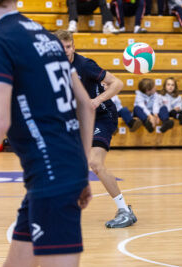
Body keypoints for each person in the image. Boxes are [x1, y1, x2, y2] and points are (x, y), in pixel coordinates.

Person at [0, 0, 97, 267]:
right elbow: (85, 104)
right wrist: (82, 168)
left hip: (51, 174)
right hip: (59, 169)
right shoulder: (45, 36)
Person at [56, 30, 138, 228]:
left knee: (95, 162)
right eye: (61, 47)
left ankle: (124, 211)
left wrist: (97, 100)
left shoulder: (84, 65)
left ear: (73, 47)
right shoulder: (53, 68)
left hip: (102, 117)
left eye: (69, 47)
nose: (66, 51)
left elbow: (117, 83)